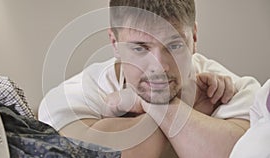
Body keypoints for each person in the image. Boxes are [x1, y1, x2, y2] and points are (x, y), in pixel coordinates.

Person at [39, 0, 261, 157]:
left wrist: (144, 103)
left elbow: (236, 154)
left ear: (193, 37)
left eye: (174, 46)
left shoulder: (238, 91)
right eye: (140, 48)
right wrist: (186, 109)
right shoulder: (67, 99)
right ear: (115, 43)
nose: (160, 67)